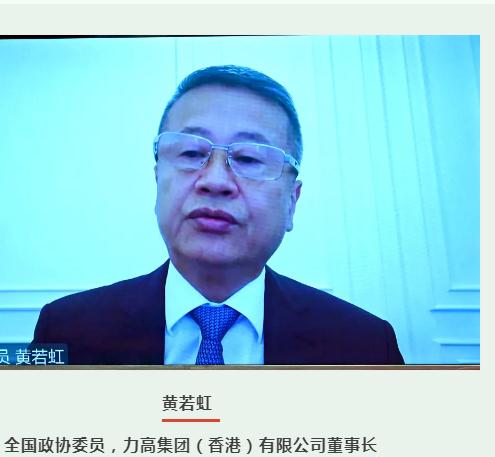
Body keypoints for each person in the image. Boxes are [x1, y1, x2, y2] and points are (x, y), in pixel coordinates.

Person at [32, 65, 404, 365]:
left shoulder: (366, 345)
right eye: (192, 154)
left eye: (249, 158)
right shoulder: (65, 329)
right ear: (158, 180)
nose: (215, 181)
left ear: (292, 202)